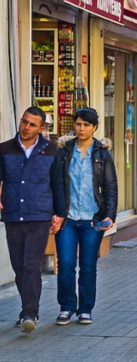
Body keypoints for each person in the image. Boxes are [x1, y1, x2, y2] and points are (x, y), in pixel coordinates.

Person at [0, 107, 66, 333]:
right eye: (24, 122)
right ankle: (26, 309)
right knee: (19, 267)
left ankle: (30, 313)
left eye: (32, 125)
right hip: (13, 215)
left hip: (39, 215)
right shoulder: (4, 149)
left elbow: (58, 183)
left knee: (31, 265)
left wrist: (60, 213)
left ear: (41, 128)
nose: (26, 127)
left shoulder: (51, 150)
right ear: (20, 121)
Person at [55, 108, 117, 326]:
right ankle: (66, 307)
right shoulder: (64, 152)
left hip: (92, 218)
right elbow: (56, 184)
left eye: (86, 125)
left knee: (88, 266)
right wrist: (56, 213)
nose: (81, 128)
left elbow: (110, 187)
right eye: (78, 124)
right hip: (68, 219)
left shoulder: (103, 154)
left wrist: (110, 215)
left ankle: (85, 309)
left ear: (94, 127)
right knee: (65, 264)